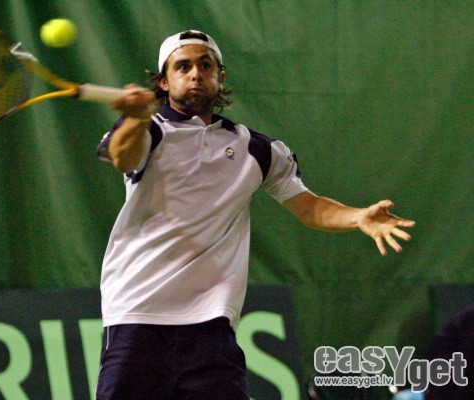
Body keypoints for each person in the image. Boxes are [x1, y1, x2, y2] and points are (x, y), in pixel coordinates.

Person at [94, 30, 415, 400]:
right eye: (183, 66)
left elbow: (308, 205)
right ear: (164, 82)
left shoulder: (256, 149)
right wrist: (135, 118)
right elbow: (123, 157)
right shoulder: (149, 131)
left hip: (211, 322)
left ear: (220, 77)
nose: (195, 74)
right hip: (137, 313)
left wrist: (357, 217)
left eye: (205, 65)